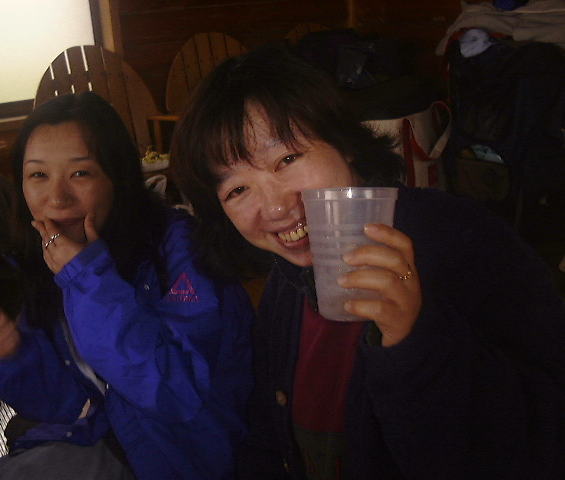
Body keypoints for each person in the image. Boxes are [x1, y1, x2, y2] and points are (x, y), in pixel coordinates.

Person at [169, 44, 565, 480]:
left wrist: (416, 337)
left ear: (343, 143)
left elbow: (539, 436)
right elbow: (268, 430)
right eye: (237, 190)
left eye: (287, 159)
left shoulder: (463, 239)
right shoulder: (285, 286)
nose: (276, 207)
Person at [0, 91, 254, 479]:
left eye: (80, 173)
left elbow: (174, 394)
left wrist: (88, 278)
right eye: (38, 175)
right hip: (104, 434)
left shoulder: (180, 249)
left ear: (118, 177)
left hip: (182, 455)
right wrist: (15, 354)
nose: (57, 198)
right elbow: (64, 405)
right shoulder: (48, 261)